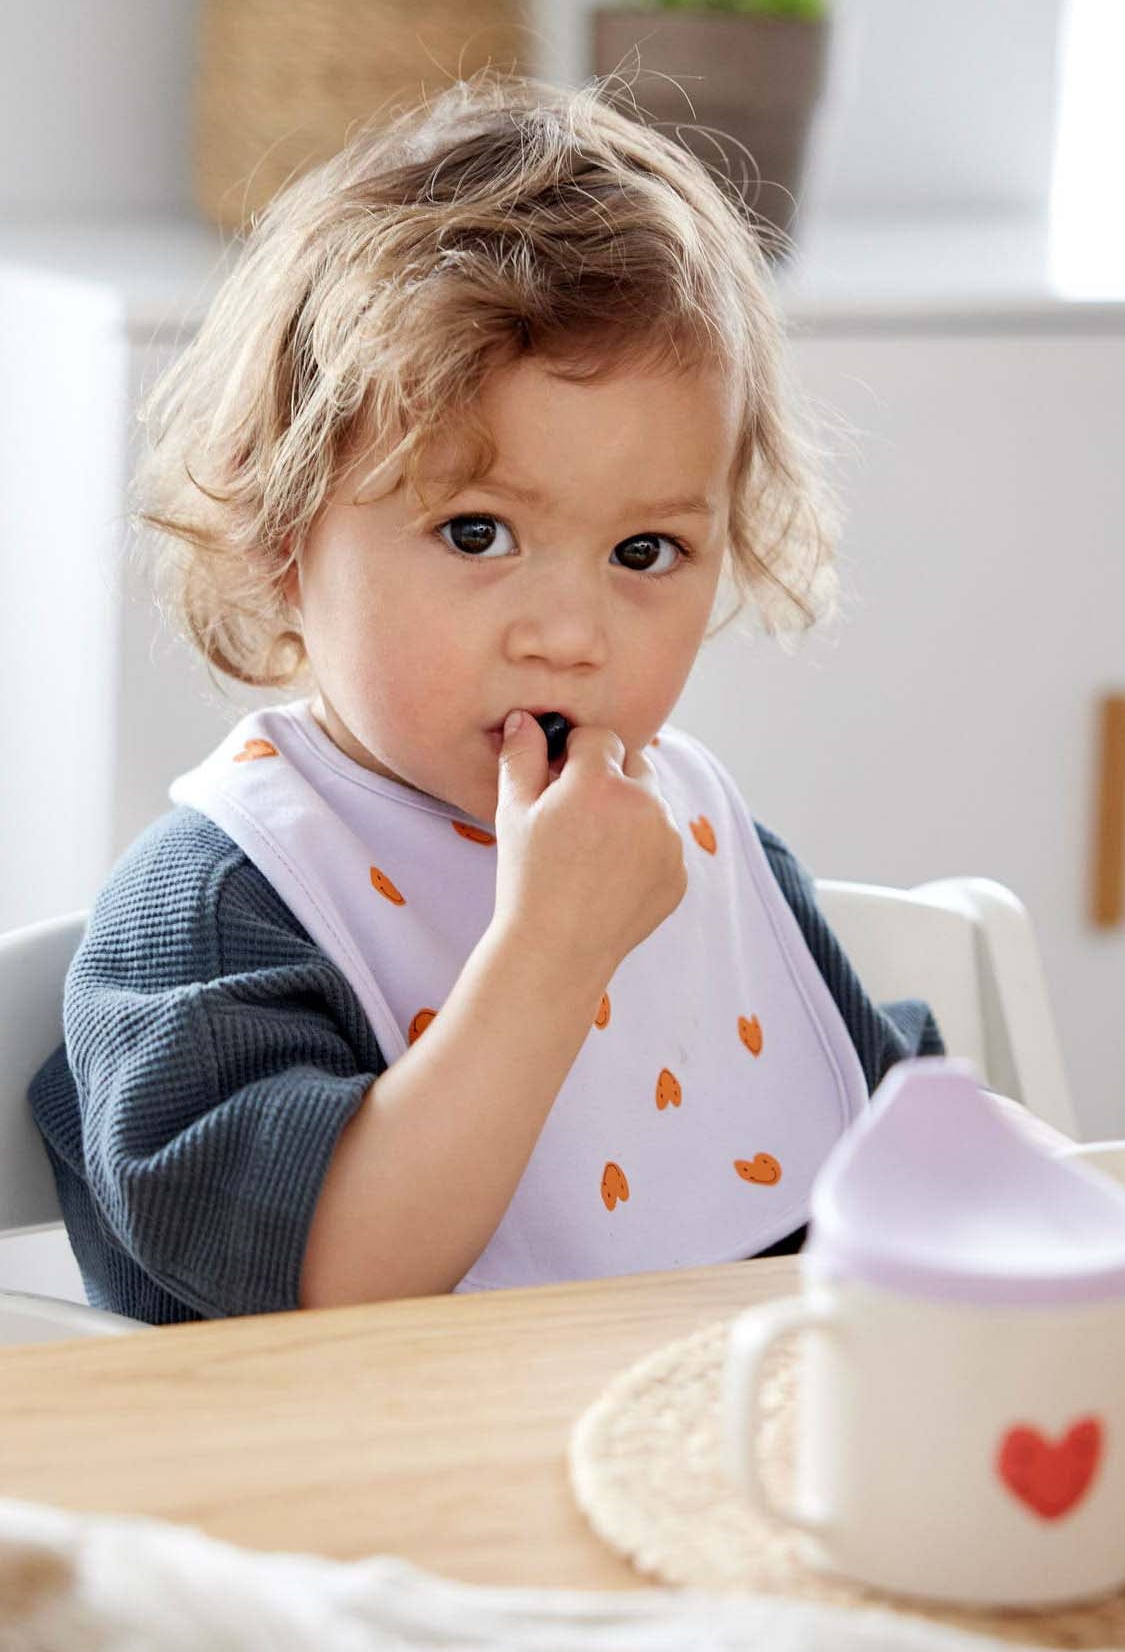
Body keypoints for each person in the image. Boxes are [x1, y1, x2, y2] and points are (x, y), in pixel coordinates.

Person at [27, 72, 943, 1325]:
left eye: (644, 554)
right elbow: (336, 1283)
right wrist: (550, 952)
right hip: (344, 1500)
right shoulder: (219, 913)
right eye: (475, 531)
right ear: (280, 543)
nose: (570, 637)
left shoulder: (701, 847)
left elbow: (901, 1170)